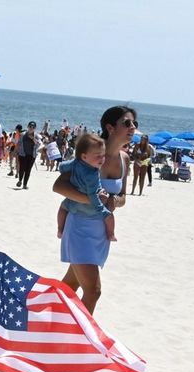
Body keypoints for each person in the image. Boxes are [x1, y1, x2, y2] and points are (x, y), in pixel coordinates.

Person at [53, 106, 134, 314]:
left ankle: (42, 318)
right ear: (110, 127)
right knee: (93, 291)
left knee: (69, 286)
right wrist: (90, 199)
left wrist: (114, 201)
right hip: (79, 227)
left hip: (101, 234)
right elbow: (59, 186)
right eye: (127, 123)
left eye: (134, 123)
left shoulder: (125, 159)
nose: (132, 127)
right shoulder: (92, 151)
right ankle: (79, 340)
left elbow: (123, 197)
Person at [56, 134, 116, 243]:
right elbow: (92, 194)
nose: (102, 159)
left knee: (63, 207)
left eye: (103, 155)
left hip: (73, 202)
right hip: (91, 205)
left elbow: (62, 166)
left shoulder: (75, 163)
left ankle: (60, 229)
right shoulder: (91, 174)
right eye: (98, 156)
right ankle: (111, 234)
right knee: (109, 215)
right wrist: (101, 208)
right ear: (84, 156)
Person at [16, 121, 40, 189]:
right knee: (22, 168)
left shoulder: (36, 135)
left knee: (28, 170)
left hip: (32, 155)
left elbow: (38, 144)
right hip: (22, 154)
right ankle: (20, 180)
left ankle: (25, 184)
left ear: (35, 128)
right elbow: (18, 143)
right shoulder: (22, 134)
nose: (31, 128)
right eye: (30, 126)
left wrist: (33, 138)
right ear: (27, 127)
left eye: (33, 127)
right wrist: (16, 151)